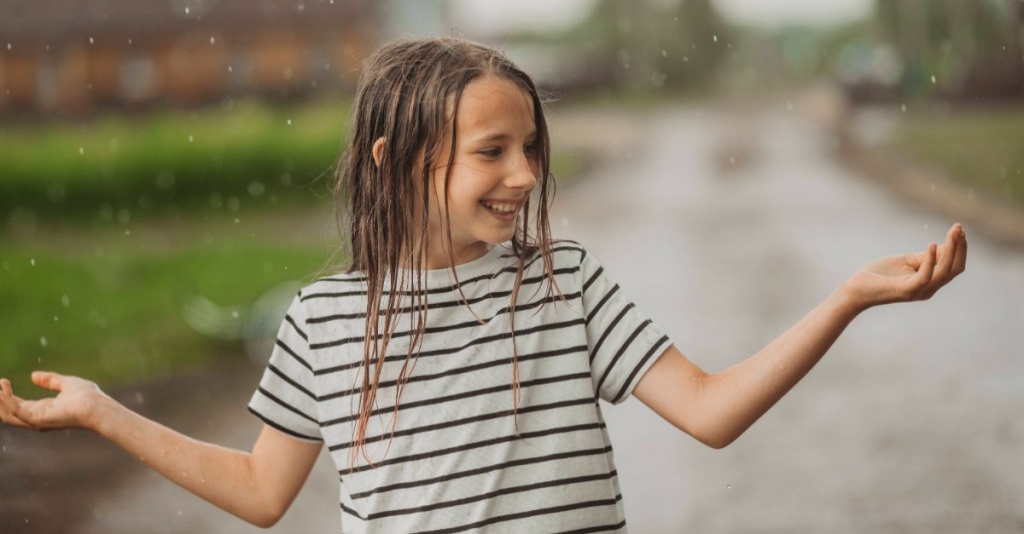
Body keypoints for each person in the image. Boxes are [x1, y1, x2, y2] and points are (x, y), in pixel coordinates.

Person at [0, 36, 967, 533]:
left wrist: (846, 297)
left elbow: (711, 412)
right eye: (493, 152)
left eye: (532, 148)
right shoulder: (324, 318)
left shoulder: (566, 284)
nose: (526, 175)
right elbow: (262, 491)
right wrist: (101, 413)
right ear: (396, 159)